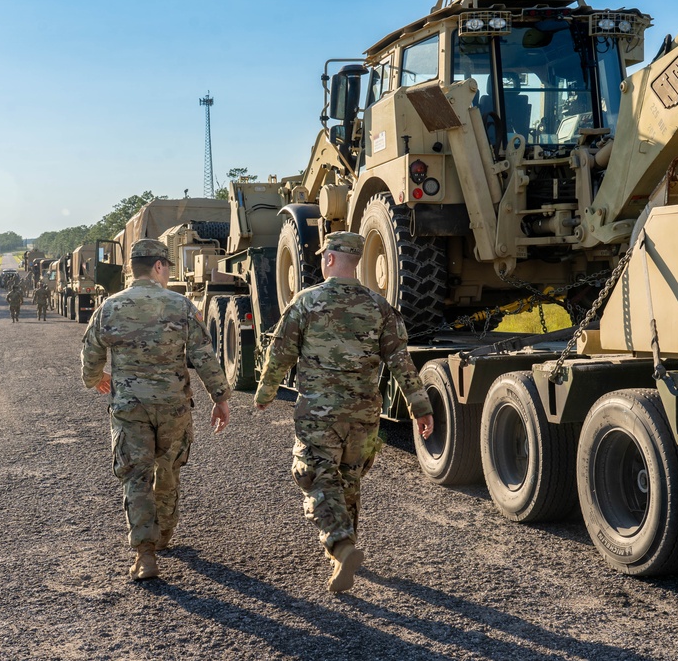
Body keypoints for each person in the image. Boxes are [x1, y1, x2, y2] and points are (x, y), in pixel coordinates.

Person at [254, 231, 434, 593]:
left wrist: (264, 393)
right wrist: (420, 407)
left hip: (319, 414)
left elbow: (280, 354)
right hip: (364, 416)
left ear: (331, 259)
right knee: (348, 484)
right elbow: (401, 362)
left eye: (323, 256)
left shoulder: (306, 302)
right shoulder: (379, 306)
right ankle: (343, 558)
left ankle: (341, 543)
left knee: (316, 478)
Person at [81, 239, 231, 581]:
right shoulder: (180, 305)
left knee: (135, 476)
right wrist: (220, 398)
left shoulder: (110, 307)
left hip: (129, 407)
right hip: (173, 406)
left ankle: (145, 555)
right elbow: (204, 356)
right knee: (168, 470)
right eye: (168, 268)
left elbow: (90, 355)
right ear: (159, 267)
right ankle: (163, 535)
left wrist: (96, 378)